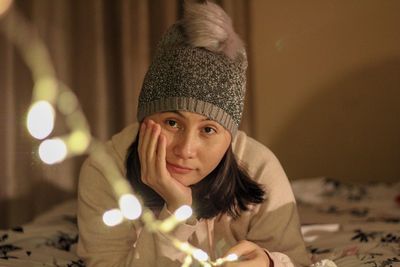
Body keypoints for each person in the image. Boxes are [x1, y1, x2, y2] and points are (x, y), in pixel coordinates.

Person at [77, 1, 311, 266]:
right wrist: (177, 210)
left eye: (208, 129)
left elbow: (297, 261)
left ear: (230, 137)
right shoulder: (104, 172)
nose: (186, 149)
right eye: (172, 123)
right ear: (144, 119)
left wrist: (269, 263)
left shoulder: (259, 169)